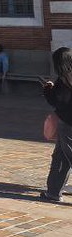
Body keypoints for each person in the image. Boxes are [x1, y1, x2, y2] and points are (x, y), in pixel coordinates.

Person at [41, 47, 72, 203]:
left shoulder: (65, 78)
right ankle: (53, 191)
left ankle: (54, 191)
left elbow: (58, 101)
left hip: (68, 123)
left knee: (65, 156)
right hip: (66, 123)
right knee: (60, 157)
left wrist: (47, 89)